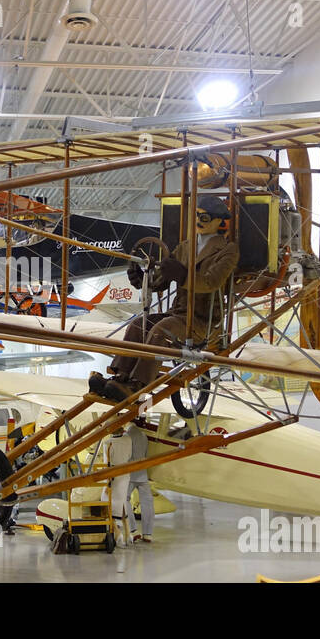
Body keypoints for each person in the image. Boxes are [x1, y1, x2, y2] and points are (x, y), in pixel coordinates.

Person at [90, 194, 240, 402]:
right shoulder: (185, 247)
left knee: (161, 331)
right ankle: (120, 377)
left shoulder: (228, 251)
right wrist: (142, 278)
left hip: (203, 322)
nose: (198, 221)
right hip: (178, 314)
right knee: (138, 325)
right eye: (196, 215)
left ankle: (138, 384)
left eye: (204, 218)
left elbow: (210, 282)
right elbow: (161, 280)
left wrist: (183, 275)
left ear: (219, 221)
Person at [126, 423, 155, 543]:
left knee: (124, 500)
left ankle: (133, 530)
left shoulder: (126, 436)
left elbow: (126, 456)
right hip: (143, 474)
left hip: (129, 474)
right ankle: (148, 534)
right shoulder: (144, 436)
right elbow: (146, 454)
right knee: (147, 503)